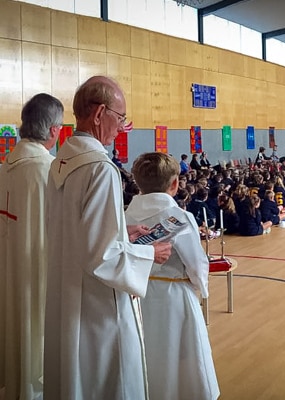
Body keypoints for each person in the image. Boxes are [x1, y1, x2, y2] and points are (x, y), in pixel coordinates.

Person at [44, 76, 172, 399]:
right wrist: (149, 254)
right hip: (95, 306)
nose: (121, 127)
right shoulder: (100, 168)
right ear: (100, 114)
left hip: (64, 290)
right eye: (120, 118)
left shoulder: (60, 161)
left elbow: (71, 228)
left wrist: (119, 230)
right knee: (106, 380)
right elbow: (102, 257)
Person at [125, 152, 220, 399]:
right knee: (180, 361)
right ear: (175, 183)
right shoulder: (180, 217)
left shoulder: (125, 217)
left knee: (146, 357)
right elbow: (196, 263)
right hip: (174, 295)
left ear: (137, 182)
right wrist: (201, 286)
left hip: (135, 297)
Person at [0, 93, 63, 400]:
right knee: (35, 343)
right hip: (38, 273)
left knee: (14, 336)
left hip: (8, 269)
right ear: (54, 130)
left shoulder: (5, 165)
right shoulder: (46, 170)